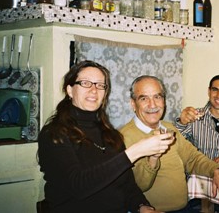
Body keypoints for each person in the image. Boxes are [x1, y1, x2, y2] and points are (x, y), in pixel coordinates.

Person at [38, 61, 174, 213]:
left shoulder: (110, 135)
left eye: (100, 85)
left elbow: (127, 185)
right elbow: (78, 186)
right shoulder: (54, 134)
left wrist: (142, 206)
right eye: (85, 83)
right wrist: (135, 152)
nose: (94, 90)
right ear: (70, 90)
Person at [119, 75, 219, 212]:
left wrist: (216, 171)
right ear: (133, 104)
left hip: (185, 208)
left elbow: (193, 158)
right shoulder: (123, 138)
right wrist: (153, 159)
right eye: (144, 98)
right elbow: (137, 187)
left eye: (157, 97)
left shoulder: (169, 128)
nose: (152, 105)